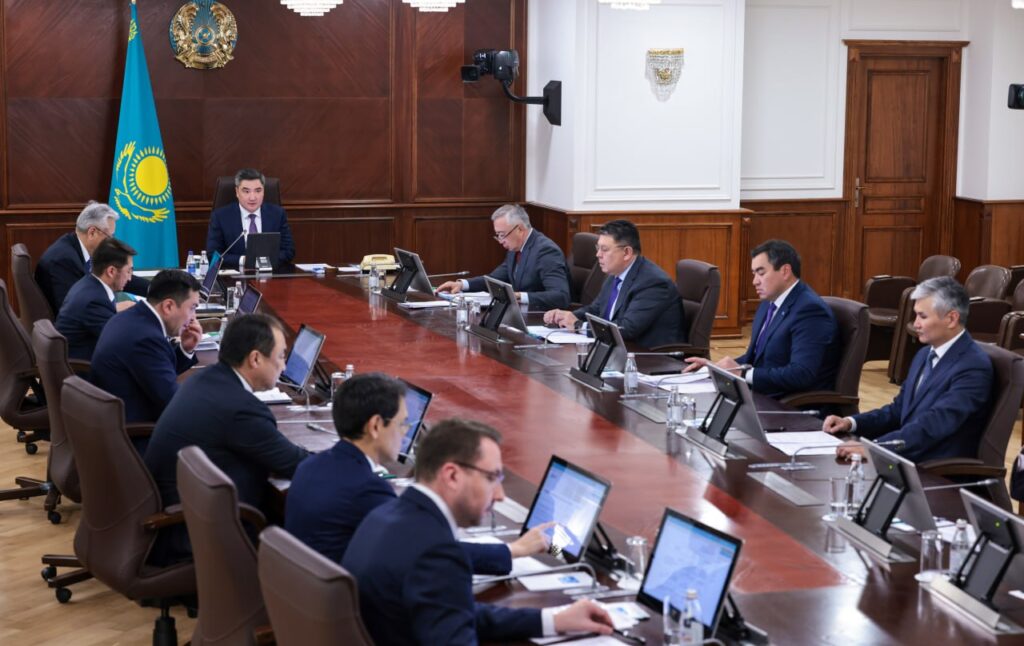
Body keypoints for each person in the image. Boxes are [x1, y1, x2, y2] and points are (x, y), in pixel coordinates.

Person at [343, 418, 614, 644]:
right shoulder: (436, 553)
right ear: (452, 475)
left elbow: (454, 612)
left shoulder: (384, 517)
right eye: (491, 478)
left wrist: (553, 620)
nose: (500, 495)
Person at [285, 372, 551, 571]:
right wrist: (514, 550)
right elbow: (432, 552)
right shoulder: (367, 489)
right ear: (376, 426)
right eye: (403, 424)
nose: (405, 434)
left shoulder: (311, 465)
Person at [145, 313, 310, 564]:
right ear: (255, 359)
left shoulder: (205, 379)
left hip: (176, 519)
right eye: (280, 357)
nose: (284, 367)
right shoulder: (240, 409)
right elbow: (297, 464)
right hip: (195, 537)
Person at [823, 276, 992, 462]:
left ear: (951, 319)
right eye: (916, 315)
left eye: (923, 316)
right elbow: (898, 411)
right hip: (906, 457)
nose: (916, 323)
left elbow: (933, 426)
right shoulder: (924, 354)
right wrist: (851, 422)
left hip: (934, 468)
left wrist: (874, 449)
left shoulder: (973, 367)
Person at [686, 239, 839, 398]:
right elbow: (755, 358)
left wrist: (743, 374)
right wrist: (716, 368)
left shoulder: (810, 311)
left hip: (787, 402)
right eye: (754, 274)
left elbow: (801, 374)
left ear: (785, 271)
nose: (755, 282)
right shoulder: (768, 303)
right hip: (762, 392)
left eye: (761, 273)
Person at [543, 219, 683, 347]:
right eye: (598, 248)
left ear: (627, 253)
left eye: (604, 249)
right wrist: (568, 316)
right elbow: (596, 309)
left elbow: (626, 329)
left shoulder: (653, 283)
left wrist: (579, 325)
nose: (598, 254)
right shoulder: (616, 274)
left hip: (648, 357)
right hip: (617, 350)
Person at [89, 270, 202, 428]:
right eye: (192, 308)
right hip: (137, 432)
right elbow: (173, 402)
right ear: (168, 306)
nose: (193, 317)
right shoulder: (147, 338)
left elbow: (157, 371)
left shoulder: (131, 317)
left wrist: (185, 349)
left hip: (121, 418)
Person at [435, 204, 571, 310]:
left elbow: (561, 296)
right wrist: (462, 284)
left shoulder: (545, 251)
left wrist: (519, 296)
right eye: (498, 235)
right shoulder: (515, 247)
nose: (500, 241)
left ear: (519, 229)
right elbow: (495, 279)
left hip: (541, 317)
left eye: (502, 235)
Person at [35, 201, 149, 314]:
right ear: (92, 232)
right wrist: (115, 307)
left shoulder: (81, 248)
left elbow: (118, 275)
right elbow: (71, 309)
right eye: (110, 237)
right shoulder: (64, 260)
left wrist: (153, 289)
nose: (111, 243)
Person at [55, 237, 137, 361]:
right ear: (111, 271)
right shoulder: (94, 301)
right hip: (82, 368)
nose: (130, 278)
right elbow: (121, 341)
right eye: (129, 271)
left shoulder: (89, 283)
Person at [206, 168, 296, 270]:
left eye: (258, 191)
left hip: (271, 274)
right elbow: (213, 255)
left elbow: (289, 251)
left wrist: (264, 261)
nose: (252, 197)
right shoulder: (220, 217)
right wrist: (245, 260)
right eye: (246, 191)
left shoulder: (277, 214)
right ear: (237, 192)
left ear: (263, 191)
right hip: (235, 275)